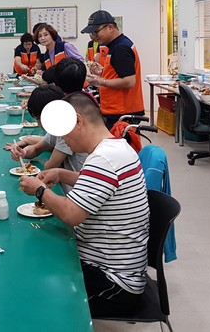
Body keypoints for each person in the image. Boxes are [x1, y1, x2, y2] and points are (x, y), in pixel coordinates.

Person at [18, 92, 149, 315]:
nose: (64, 141)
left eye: (64, 134)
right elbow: (100, 183)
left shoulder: (103, 159)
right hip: (113, 266)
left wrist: (39, 190)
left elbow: (71, 215)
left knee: (33, 286)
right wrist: (61, 174)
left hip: (114, 282)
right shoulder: (117, 147)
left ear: (78, 121)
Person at [7, 85, 87, 193]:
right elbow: (36, 148)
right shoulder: (58, 126)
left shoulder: (68, 131)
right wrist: (23, 153)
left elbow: (49, 167)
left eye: (39, 119)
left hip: (77, 192)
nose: (39, 124)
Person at [81, 10, 144, 130]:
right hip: (115, 109)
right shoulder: (114, 46)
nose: (94, 37)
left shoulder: (121, 48)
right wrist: (102, 72)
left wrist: (100, 81)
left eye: (95, 32)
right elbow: (118, 73)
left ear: (110, 27)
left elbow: (129, 81)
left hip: (123, 111)